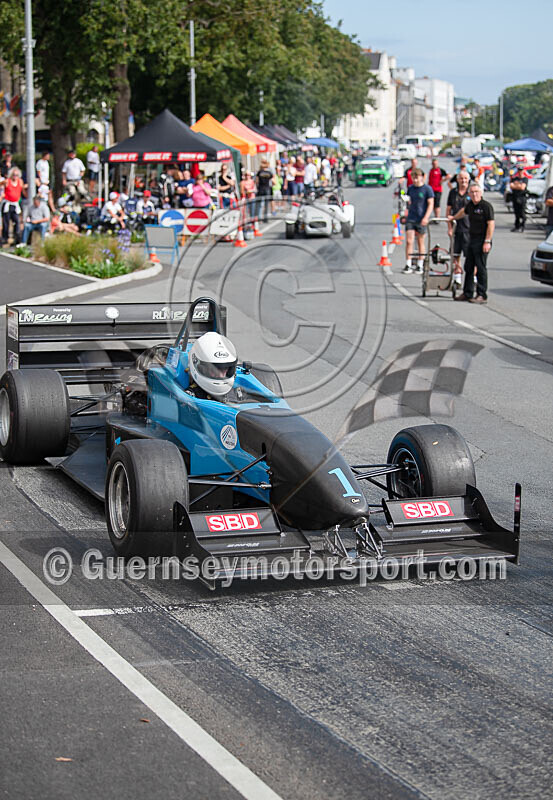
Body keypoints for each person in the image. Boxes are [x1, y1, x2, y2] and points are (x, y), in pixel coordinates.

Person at [449, 183, 494, 304]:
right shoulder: (470, 206)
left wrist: (487, 241)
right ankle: (467, 292)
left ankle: (481, 294)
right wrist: (453, 218)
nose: (475, 194)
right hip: (472, 239)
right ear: (469, 194)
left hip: (482, 240)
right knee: (468, 266)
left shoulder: (486, 206)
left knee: (480, 267)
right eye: (472, 192)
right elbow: (463, 212)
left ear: (481, 193)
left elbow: (491, 224)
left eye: (477, 192)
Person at [187, 331, 237, 399]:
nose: (221, 376)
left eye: (224, 369)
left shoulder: (236, 392)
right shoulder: (189, 396)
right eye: (215, 370)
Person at [403, 168, 434, 274]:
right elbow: (408, 202)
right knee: (409, 241)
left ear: (422, 177)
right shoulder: (410, 188)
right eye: (413, 177)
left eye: (417, 177)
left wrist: (426, 217)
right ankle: (408, 264)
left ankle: (420, 265)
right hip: (411, 217)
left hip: (421, 218)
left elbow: (430, 204)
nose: (415, 179)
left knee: (420, 241)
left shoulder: (427, 189)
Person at [446, 171, 471, 285]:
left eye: (466, 179)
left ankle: (472, 279)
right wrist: (450, 228)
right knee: (456, 255)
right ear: (457, 180)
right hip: (457, 228)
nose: (463, 181)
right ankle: (457, 277)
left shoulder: (472, 192)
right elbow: (448, 211)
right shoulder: (453, 193)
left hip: (469, 229)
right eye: (461, 179)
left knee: (471, 257)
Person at [1, 167, 26, 245]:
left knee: (17, 222)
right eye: (14, 175)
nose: (15, 176)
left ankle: (17, 238)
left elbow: (23, 190)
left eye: (16, 175)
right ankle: (5, 238)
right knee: (6, 222)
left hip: (15, 204)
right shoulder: (7, 181)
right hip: (7, 204)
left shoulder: (20, 182)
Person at [509, 165, 528, 232]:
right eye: (519, 170)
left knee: (522, 212)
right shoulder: (515, 178)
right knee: (516, 213)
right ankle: (517, 226)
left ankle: (522, 225)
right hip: (515, 196)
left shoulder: (525, 179)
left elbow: (522, 187)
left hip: (522, 197)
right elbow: (511, 186)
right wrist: (518, 185)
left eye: (521, 170)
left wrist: (516, 185)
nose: (520, 172)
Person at [255, 159, 273, 223]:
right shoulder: (269, 173)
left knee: (260, 204)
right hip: (267, 188)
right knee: (266, 204)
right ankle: (265, 218)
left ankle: (260, 218)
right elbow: (273, 181)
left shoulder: (259, 172)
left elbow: (256, 181)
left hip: (261, 188)